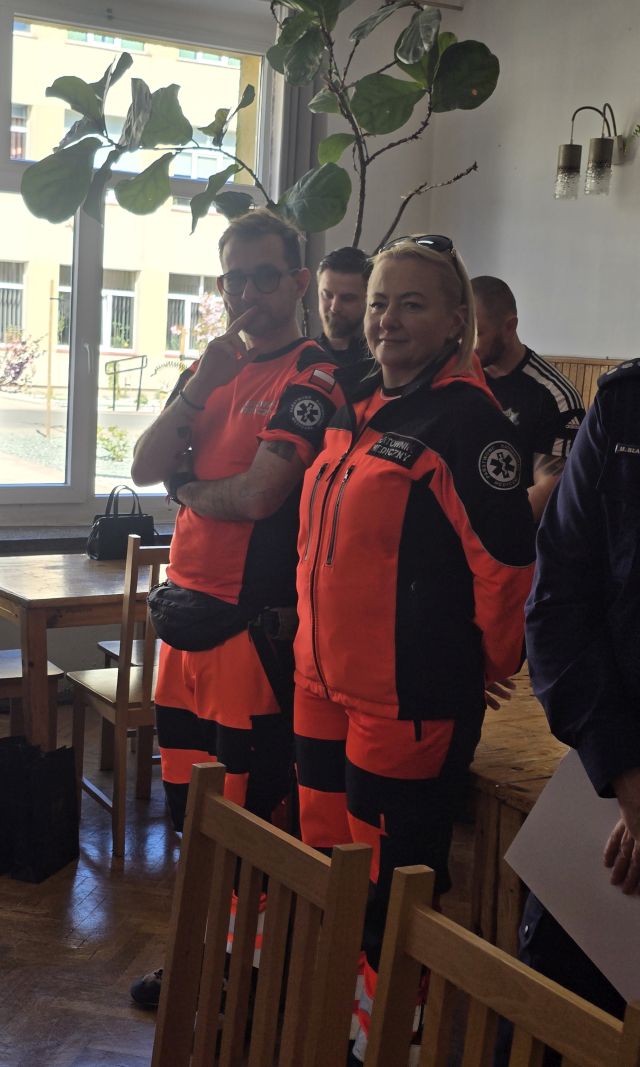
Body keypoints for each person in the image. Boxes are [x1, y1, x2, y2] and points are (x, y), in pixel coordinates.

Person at [292, 237, 536, 1063]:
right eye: (379, 302)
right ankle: (339, 1000)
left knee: (393, 879)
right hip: (320, 682)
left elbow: (506, 564)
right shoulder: (354, 399)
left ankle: (391, 1025)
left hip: (408, 697)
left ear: (456, 321)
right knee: (329, 856)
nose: (387, 319)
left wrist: (486, 663)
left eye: (411, 304)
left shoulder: (469, 422)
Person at [130, 209, 345, 1008]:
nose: (248, 293)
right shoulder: (212, 367)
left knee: (250, 822)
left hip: (252, 634)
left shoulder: (314, 374)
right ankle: (201, 958)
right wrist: (197, 387)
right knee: (189, 814)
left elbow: (259, 496)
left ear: (298, 282)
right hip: (185, 628)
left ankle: (250, 980)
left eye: (264, 276)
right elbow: (143, 463)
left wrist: (188, 487)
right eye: (234, 279)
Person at [519, 357, 640, 1034]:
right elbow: (557, 605)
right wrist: (626, 774)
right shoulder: (626, 407)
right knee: (553, 1020)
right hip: (607, 784)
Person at [472, 275, 585, 521]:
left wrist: (483, 531)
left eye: (476, 334)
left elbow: (550, 489)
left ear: (509, 327)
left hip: (514, 534)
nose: (465, 345)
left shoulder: (555, 395)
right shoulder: (459, 381)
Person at [315, 245, 371, 365]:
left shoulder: (383, 363)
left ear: (369, 299)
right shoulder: (301, 360)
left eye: (347, 298)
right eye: (327, 295)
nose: (335, 307)